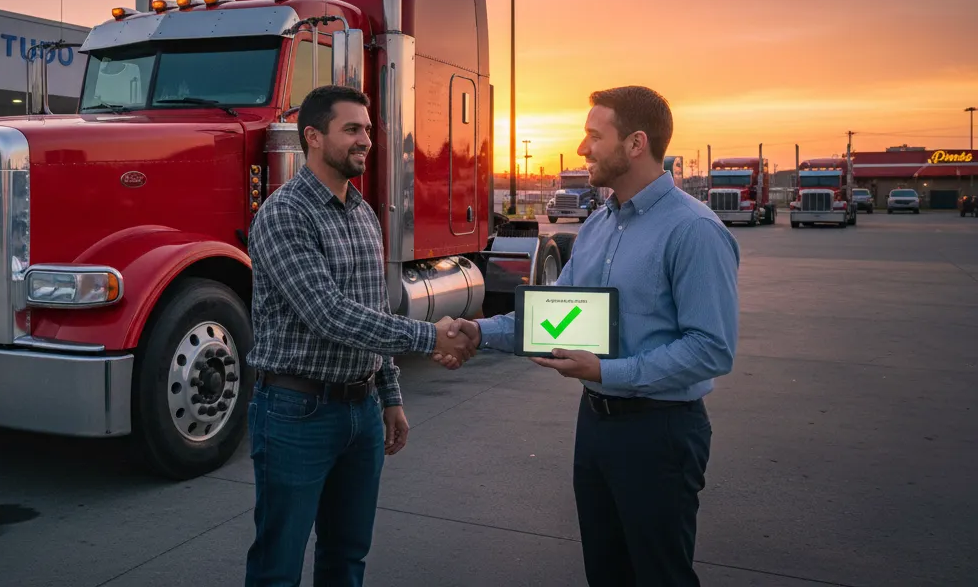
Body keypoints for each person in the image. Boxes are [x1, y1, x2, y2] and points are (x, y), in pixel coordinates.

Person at [445, 85, 740, 587]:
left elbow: (710, 348)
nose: (582, 149)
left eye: (593, 135)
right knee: (605, 572)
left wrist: (607, 371)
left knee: (659, 575)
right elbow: (552, 317)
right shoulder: (599, 227)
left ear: (636, 143)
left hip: (661, 432)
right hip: (597, 426)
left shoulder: (694, 230)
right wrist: (477, 331)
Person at [244, 84, 477, 587]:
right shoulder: (284, 214)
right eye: (351, 129)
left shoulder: (364, 214)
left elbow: (371, 312)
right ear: (312, 137)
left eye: (367, 130)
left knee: (347, 558)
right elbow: (328, 315)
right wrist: (430, 337)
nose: (365, 141)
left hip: (362, 412)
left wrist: (389, 395)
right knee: (277, 564)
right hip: (295, 413)